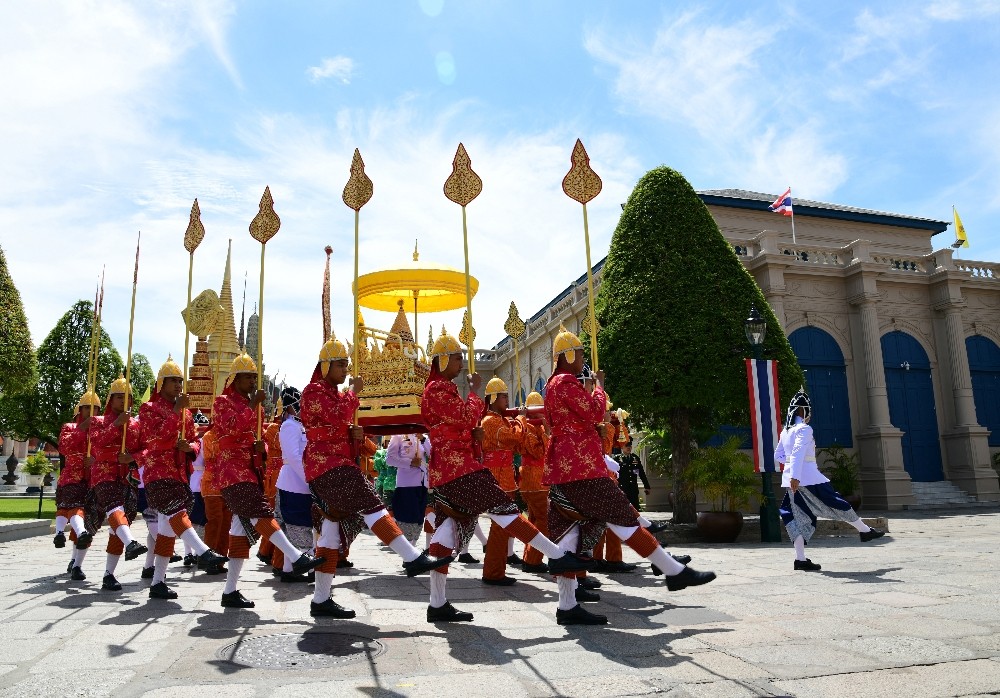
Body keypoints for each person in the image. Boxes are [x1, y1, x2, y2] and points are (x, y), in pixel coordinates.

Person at [544, 326, 716, 625]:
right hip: (581, 466)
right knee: (622, 517)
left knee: (569, 534)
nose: (583, 359)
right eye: (580, 354)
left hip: (566, 467)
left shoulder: (552, 384)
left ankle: (567, 605)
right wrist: (599, 387)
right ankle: (673, 570)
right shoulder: (566, 382)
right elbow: (594, 410)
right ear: (568, 355)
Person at [421, 326, 592, 624]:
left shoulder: (441, 390)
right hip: (459, 468)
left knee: (448, 530)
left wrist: (476, 432)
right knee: (507, 514)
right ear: (443, 360)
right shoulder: (439, 389)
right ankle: (556, 556)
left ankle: (437, 602)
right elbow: (467, 417)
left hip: (456, 468)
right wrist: (473, 393)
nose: (461, 363)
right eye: (458, 358)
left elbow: (462, 427)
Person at [299, 335, 451, 619]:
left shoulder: (334, 394)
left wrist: (352, 434)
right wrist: (352, 394)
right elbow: (333, 417)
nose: (345, 369)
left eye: (346, 364)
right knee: (372, 504)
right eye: (340, 364)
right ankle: (411, 556)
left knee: (331, 531)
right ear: (325, 366)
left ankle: (321, 598)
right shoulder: (313, 392)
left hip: (338, 463)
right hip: (328, 466)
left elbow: (337, 427)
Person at [212, 352, 325, 608]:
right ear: (235, 378)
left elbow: (255, 437)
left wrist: (259, 447)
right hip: (231, 471)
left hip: (251, 471)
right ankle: (295, 556)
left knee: (239, 532)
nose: (253, 382)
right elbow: (230, 429)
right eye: (248, 377)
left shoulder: (258, 408)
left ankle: (230, 591)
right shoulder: (222, 402)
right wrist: (252, 406)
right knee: (261, 513)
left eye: (255, 377)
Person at [138, 356, 227, 600]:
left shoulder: (187, 414)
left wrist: (190, 448)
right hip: (158, 473)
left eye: (180, 381)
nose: (178, 385)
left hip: (180, 474)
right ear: (161, 383)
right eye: (173, 381)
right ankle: (203, 551)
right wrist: (176, 411)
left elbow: (195, 441)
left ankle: (158, 582)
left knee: (166, 530)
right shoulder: (148, 409)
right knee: (177, 513)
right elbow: (154, 439)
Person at [775, 388, 885, 571]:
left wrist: (790, 470)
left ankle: (800, 559)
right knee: (837, 503)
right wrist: (796, 474)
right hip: (808, 479)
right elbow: (798, 452)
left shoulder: (786, 431)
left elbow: (779, 455)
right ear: (804, 411)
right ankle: (865, 531)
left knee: (796, 517)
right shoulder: (804, 429)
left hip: (792, 480)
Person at [85, 375, 147, 584]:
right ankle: (131, 543)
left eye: (127, 397)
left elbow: (147, 450)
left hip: (128, 477)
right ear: (111, 399)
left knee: (119, 526)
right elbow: (96, 443)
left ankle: (109, 574)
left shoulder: (137, 425)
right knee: (113, 507)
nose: (123, 401)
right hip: (104, 474)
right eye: (119, 397)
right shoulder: (97, 421)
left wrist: (132, 457)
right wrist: (116, 425)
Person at [480, 377, 526, 585]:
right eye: (504, 396)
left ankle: (496, 570)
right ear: (493, 398)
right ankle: (493, 572)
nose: (507, 400)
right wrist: (522, 420)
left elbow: (518, 444)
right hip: (497, 477)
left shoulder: (501, 420)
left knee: (503, 526)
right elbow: (513, 438)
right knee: (500, 526)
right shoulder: (490, 421)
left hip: (505, 475)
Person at [275, 386, 315, 583]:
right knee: (298, 525)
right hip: (294, 480)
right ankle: (310, 567)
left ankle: (288, 569)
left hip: (297, 480)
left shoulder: (299, 425)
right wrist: (308, 478)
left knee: (295, 525)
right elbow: (293, 456)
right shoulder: (290, 426)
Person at [516, 391, 550, 574]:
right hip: (534, 481)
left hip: (536, 481)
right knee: (544, 520)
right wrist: (546, 432)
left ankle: (529, 558)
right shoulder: (528, 428)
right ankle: (533, 560)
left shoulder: (534, 427)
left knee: (536, 520)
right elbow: (538, 452)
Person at [386, 433, 428, 545]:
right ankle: (408, 551)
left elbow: (432, 453)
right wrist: (410, 463)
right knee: (407, 519)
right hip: (406, 483)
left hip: (422, 482)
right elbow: (389, 459)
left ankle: (413, 548)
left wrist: (423, 439)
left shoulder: (423, 437)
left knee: (419, 519)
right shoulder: (398, 436)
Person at [615, 438, 651, 512]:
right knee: (624, 510)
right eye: (626, 446)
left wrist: (647, 486)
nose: (629, 448)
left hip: (633, 489)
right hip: (622, 489)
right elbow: (613, 474)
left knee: (635, 510)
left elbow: (641, 473)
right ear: (622, 447)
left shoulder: (635, 458)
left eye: (630, 446)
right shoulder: (617, 459)